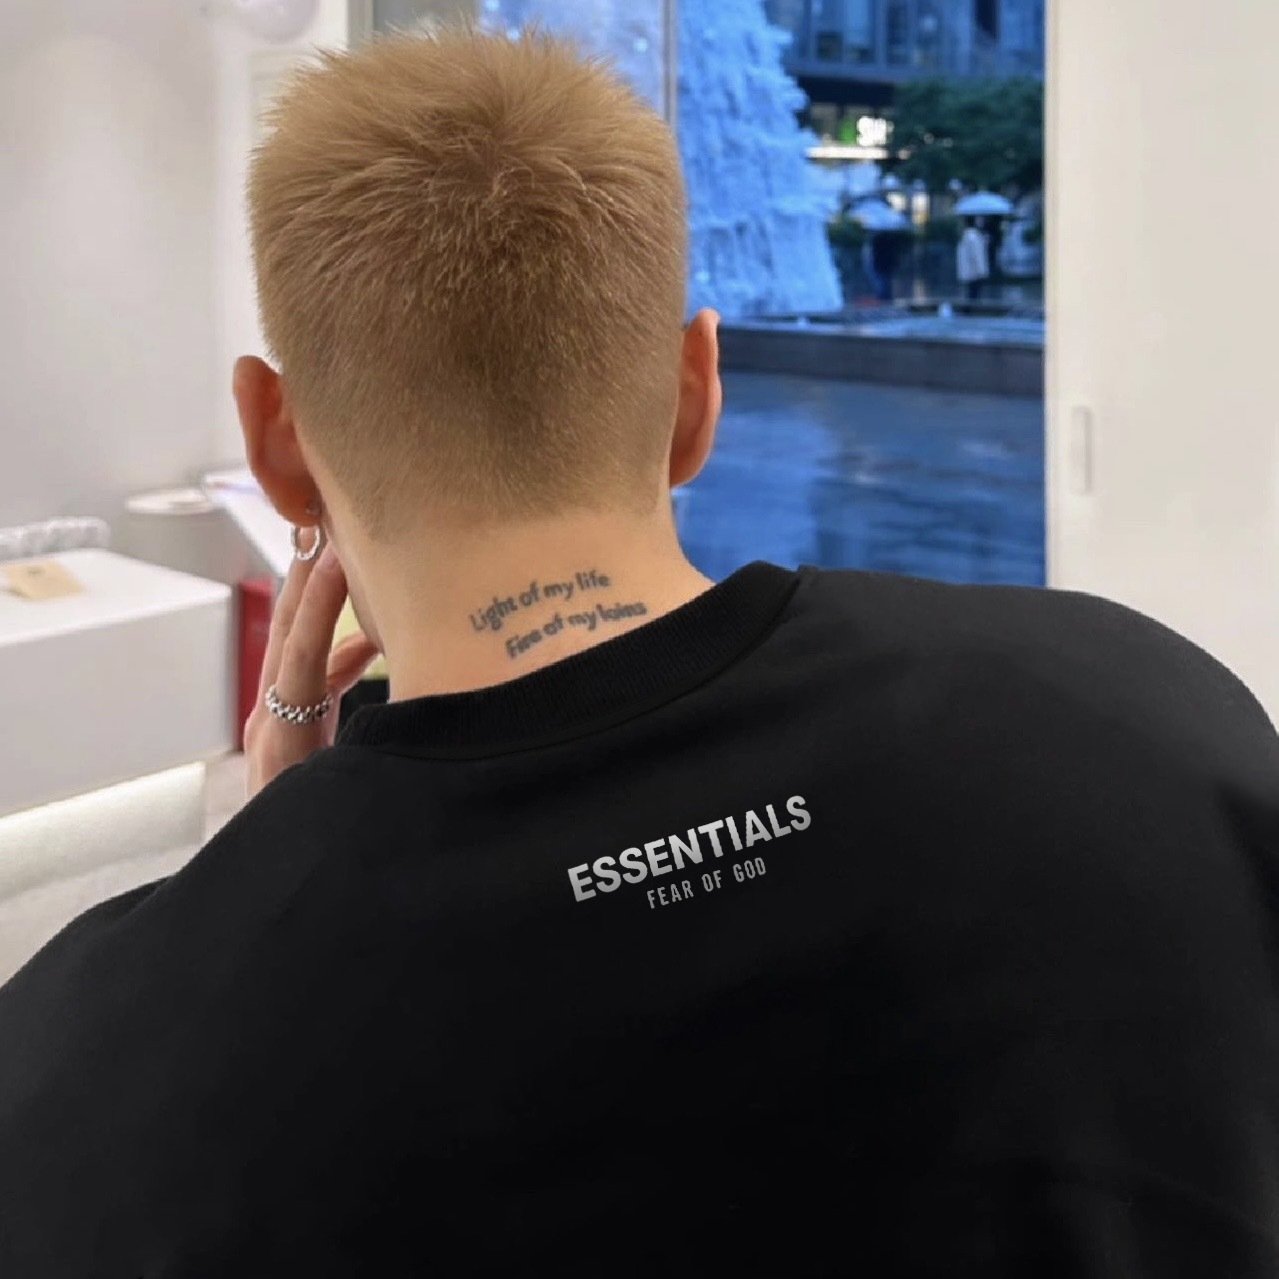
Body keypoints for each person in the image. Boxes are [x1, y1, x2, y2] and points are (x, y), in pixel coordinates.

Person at [1, 26, 1278, 1278]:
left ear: (274, 441)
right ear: (695, 393)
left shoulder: (80, 1072)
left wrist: (261, 881)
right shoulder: (1146, 720)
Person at [957, 215, 991, 301]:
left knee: (971, 293)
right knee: (974, 294)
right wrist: (981, 271)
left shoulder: (968, 235)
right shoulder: (973, 237)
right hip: (975, 272)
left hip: (970, 272)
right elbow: (977, 255)